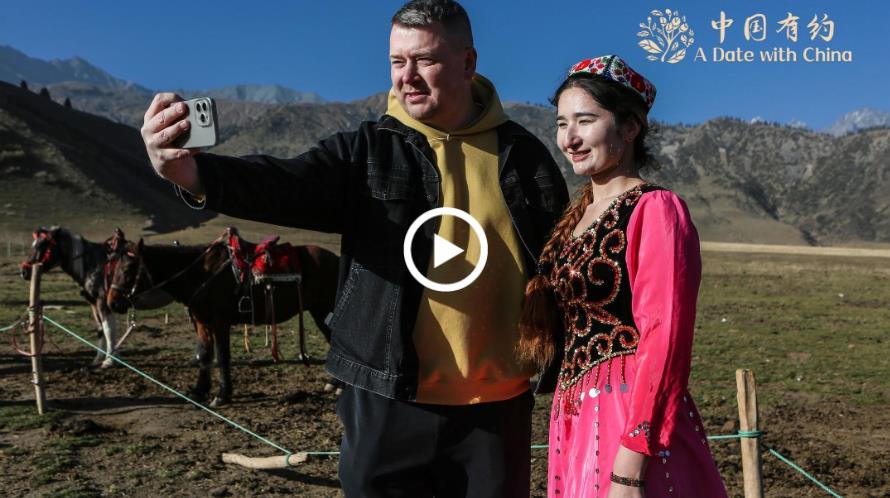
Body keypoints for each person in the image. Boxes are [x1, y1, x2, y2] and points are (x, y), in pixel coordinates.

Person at [139, 1, 568, 496]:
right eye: (397, 61)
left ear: (468, 62)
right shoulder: (366, 152)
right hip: (385, 398)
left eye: (425, 60)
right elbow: (284, 184)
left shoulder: (524, 157)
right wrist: (191, 174)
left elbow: (565, 265)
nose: (407, 76)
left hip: (496, 410)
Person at [518, 55, 727, 497]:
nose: (570, 138)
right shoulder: (574, 218)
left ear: (630, 127)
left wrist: (630, 469)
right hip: (575, 417)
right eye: (561, 124)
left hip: (628, 417)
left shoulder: (655, 209)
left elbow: (664, 339)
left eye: (585, 120)